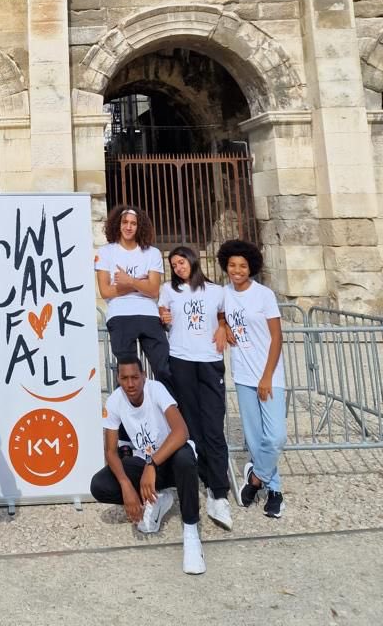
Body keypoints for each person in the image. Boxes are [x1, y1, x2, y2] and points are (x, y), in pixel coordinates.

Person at [90, 357, 206, 575]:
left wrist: (152, 464)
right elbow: (110, 452)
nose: (130, 383)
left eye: (135, 377)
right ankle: (156, 501)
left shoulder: (156, 390)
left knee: (184, 457)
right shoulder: (114, 401)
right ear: (118, 378)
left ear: (143, 376)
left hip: (170, 461)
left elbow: (181, 431)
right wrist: (127, 487)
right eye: (124, 378)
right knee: (100, 484)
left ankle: (191, 534)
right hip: (146, 464)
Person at [158, 245, 232, 530]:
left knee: (214, 423)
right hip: (182, 360)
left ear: (192, 261)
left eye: (181, 262)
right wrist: (163, 320)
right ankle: (204, 479)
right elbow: (164, 318)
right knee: (192, 426)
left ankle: (219, 491)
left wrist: (223, 327)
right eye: (174, 264)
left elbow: (224, 317)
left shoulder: (216, 291)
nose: (178, 267)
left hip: (210, 360)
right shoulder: (168, 290)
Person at [218, 239, 287, 518]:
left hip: (268, 374)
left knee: (276, 437)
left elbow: (277, 336)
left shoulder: (264, 295)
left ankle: (256, 477)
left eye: (242, 266)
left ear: (251, 268)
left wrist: (267, 376)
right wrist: (223, 325)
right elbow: (217, 313)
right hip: (243, 374)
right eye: (232, 265)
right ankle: (275, 491)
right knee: (255, 437)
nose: (237, 270)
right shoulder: (223, 293)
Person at [94, 204, 172, 391]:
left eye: (133, 223)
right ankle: (126, 417)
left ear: (140, 227)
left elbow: (154, 291)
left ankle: (169, 413)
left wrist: (127, 281)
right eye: (125, 222)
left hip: (149, 315)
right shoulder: (106, 252)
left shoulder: (151, 253)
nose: (129, 227)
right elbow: (105, 291)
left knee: (164, 369)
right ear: (118, 225)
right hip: (120, 315)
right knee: (127, 370)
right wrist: (138, 284)